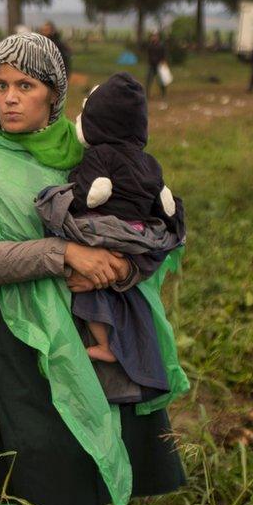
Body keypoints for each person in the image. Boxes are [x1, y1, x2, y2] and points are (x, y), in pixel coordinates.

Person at [0, 33, 187, 505]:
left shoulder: (86, 158)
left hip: (87, 348)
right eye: (0, 84)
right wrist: (63, 254)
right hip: (18, 355)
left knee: (75, 492)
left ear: (54, 94)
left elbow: (136, 231)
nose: (8, 97)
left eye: (24, 85)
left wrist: (117, 269)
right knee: (38, 501)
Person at [58, 73, 184, 367]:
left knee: (89, 291)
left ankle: (104, 343)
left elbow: (90, 193)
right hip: (139, 235)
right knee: (113, 292)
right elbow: (163, 201)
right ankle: (119, 343)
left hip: (100, 230)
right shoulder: (149, 161)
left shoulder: (99, 155)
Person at [145, 32, 168, 99]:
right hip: (151, 66)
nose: (154, 37)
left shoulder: (161, 45)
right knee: (148, 80)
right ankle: (147, 95)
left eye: (155, 36)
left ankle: (164, 95)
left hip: (159, 66)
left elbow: (164, 55)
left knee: (161, 81)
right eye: (152, 36)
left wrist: (164, 63)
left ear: (158, 37)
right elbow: (148, 55)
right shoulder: (150, 45)